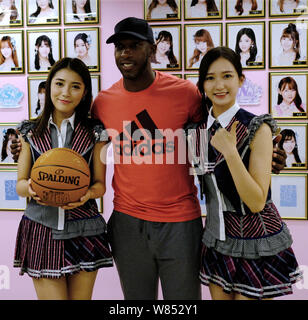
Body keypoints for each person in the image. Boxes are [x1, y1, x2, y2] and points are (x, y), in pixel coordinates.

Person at [11, 17, 287, 300]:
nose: (126, 53)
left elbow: (219, 132)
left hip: (181, 222)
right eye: (120, 47)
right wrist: (27, 159)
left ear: (153, 50)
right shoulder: (103, 103)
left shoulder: (187, 94)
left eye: (135, 46)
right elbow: (72, 143)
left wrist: (269, 156)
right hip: (128, 222)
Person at [188, 46, 302, 300]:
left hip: (256, 239)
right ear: (202, 84)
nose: (219, 85)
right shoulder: (194, 131)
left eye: (227, 76)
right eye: (210, 77)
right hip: (217, 238)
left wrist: (230, 152)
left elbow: (256, 201)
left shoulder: (256, 126)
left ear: (241, 79)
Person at [13, 57, 113, 300]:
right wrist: (33, 189)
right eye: (59, 84)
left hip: (84, 228)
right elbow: (20, 185)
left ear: (84, 92)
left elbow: (100, 185)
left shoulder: (95, 133)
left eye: (75, 86)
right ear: (48, 88)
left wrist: (87, 194)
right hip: (41, 229)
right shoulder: (29, 131)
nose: (65, 92)